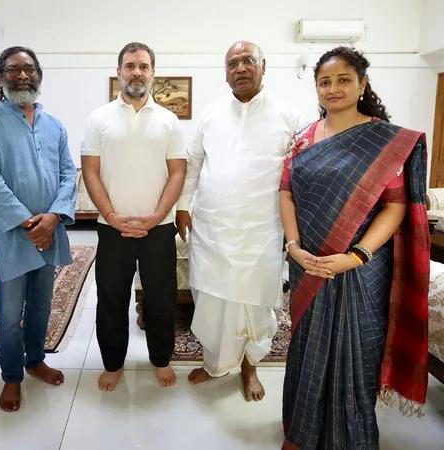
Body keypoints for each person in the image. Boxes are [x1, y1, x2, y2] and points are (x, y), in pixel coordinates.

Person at [279, 46, 429, 449]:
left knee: (356, 351)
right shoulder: (303, 139)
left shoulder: (385, 141)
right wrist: (293, 246)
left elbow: (396, 206)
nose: (333, 88)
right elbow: (286, 194)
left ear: (362, 83)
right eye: (324, 82)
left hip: (361, 267)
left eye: (344, 79)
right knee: (308, 346)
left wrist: (356, 255)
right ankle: (304, 433)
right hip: (308, 262)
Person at [175, 40, 298, 400]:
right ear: (225, 72)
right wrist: (183, 206)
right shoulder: (211, 113)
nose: (240, 68)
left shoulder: (287, 114)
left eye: (248, 61)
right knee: (211, 300)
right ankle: (215, 363)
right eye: (233, 63)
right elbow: (193, 162)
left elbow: (297, 172)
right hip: (213, 226)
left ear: (264, 65)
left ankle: (249, 366)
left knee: (255, 303)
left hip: (262, 229)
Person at [0, 46, 76, 413]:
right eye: (13, 70)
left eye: (29, 69)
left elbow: (67, 174)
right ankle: (12, 377)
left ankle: (35, 361)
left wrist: (54, 217)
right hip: (13, 236)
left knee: (42, 307)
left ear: (39, 75)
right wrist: (29, 222)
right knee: (10, 314)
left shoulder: (54, 124)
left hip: (50, 231)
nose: (23, 75)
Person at [81, 42, 186, 391]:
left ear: (153, 72)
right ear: (119, 72)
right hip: (112, 228)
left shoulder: (169, 121)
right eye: (130, 66)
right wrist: (111, 216)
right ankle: (113, 363)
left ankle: (160, 359)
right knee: (111, 297)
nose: (136, 72)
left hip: (159, 228)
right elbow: (91, 172)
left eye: (143, 66)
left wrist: (157, 216)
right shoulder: (99, 118)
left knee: (160, 296)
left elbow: (177, 172)